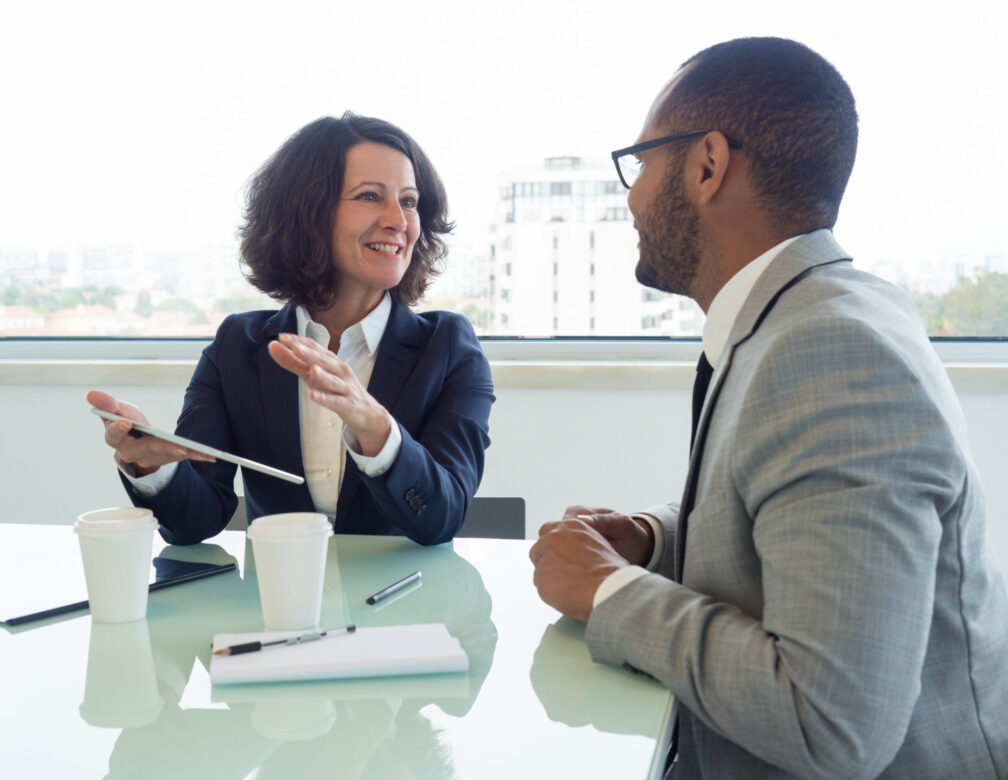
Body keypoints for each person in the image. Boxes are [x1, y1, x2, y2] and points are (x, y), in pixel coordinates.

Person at [529, 37, 1008, 778]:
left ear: (707, 165)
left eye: (641, 162)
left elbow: (831, 723)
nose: (630, 194)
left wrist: (611, 592)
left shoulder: (833, 352)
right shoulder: (812, 315)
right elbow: (783, 528)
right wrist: (656, 540)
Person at [89, 113, 494, 547]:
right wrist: (154, 468)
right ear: (308, 212)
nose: (398, 219)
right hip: (281, 608)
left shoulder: (449, 348)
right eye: (370, 196)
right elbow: (195, 522)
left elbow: (443, 516)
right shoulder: (237, 348)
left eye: (409, 201)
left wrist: (375, 425)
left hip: (404, 607)